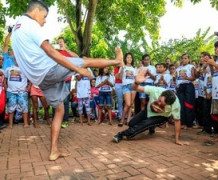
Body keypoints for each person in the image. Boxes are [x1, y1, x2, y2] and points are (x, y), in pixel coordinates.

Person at [11, 1, 123, 161]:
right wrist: (78, 70)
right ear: (36, 11)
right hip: (49, 70)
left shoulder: (16, 29)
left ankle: (54, 151)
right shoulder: (30, 24)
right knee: (85, 61)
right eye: (44, 16)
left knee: (59, 109)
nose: (44, 21)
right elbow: (50, 50)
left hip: (40, 79)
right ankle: (117, 62)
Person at [113, 68, 188, 145]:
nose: (158, 103)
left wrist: (177, 140)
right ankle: (151, 127)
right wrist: (136, 82)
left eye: (162, 104)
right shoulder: (155, 90)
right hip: (148, 110)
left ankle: (121, 134)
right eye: (159, 100)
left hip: (161, 116)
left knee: (143, 125)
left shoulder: (176, 104)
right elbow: (134, 88)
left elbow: (177, 121)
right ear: (161, 94)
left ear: (169, 104)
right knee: (131, 124)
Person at [57, 37, 78, 128]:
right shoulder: (56, 52)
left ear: (65, 43)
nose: (60, 44)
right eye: (58, 43)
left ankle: (65, 121)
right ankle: (56, 120)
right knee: (57, 101)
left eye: (61, 42)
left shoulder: (68, 53)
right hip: (57, 80)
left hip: (67, 80)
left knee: (65, 101)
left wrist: (66, 50)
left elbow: (77, 57)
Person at [205, 40, 218, 142]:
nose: (217, 50)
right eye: (216, 48)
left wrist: (213, 63)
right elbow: (213, 74)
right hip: (216, 92)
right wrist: (211, 65)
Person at [176, 54, 196, 129]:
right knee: (181, 104)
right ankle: (183, 122)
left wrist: (187, 78)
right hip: (181, 87)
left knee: (188, 104)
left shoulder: (191, 67)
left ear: (188, 59)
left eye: (185, 58)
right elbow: (176, 78)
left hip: (188, 86)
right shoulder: (179, 68)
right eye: (182, 58)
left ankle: (189, 123)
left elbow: (193, 78)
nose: (184, 60)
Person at [118, 53, 137, 126]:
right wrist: (122, 69)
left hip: (133, 86)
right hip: (125, 86)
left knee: (131, 104)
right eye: (128, 57)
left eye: (130, 57)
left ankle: (128, 120)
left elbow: (135, 78)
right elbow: (119, 77)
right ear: (125, 59)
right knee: (128, 103)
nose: (129, 59)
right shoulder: (123, 67)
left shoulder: (134, 68)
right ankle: (122, 119)